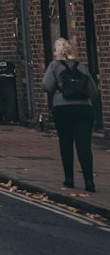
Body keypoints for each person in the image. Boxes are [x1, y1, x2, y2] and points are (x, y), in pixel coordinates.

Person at [41, 38, 98, 193]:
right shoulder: (81, 67)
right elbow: (93, 91)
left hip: (62, 109)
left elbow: (46, 86)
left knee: (66, 143)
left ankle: (69, 179)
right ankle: (89, 181)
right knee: (84, 145)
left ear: (56, 52)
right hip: (84, 109)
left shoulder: (54, 66)